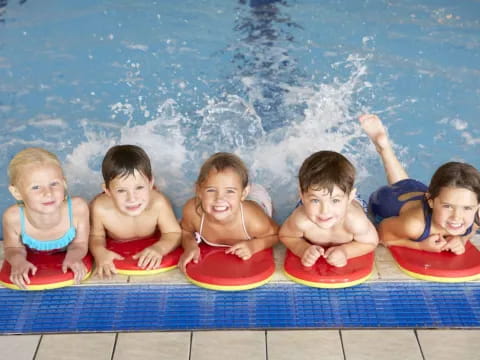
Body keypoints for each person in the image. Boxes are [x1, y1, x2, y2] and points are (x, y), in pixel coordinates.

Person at [361, 113, 480, 254]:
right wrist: (420, 246)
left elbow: (472, 229)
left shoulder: (475, 217)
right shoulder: (414, 225)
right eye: (448, 206)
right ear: (431, 201)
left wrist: (461, 239)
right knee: (399, 187)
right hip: (386, 202)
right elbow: (380, 236)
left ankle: (385, 148)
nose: (457, 216)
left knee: (404, 183)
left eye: (467, 208)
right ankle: (383, 148)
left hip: (415, 189)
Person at [2, 147, 90, 289]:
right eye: (36, 187)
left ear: (64, 183)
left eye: (54, 184)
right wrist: (18, 262)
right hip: (32, 255)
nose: (48, 193)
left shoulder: (77, 209)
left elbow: (80, 244)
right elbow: (13, 247)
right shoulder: (14, 218)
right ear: (17, 192)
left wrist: (73, 257)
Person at [89, 145, 182, 278]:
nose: (132, 198)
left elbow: (173, 232)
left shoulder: (158, 203)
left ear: (150, 184)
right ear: (107, 190)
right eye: (121, 190)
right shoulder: (100, 208)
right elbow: (96, 236)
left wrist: (159, 248)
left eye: (139, 187)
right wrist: (100, 253)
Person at [179, 152, 278, 272]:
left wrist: (254, 246)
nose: (219, 198)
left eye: (229, 191)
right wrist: (190, 246)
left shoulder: (254, 222)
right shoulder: (193, 212)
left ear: (244, 194)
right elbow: (185, 231)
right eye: (211, 190)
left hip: (258, 200)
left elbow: (278, 234)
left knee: (266, 216)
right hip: (238, 194)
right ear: (198, 191)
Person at [279, 150, 378, 268]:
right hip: (316, 200)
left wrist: (345, 252)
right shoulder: (301, 220)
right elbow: (286, 235)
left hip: (352, 205)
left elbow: (371, 242)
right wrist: (303, 249)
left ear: (350, 197)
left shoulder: (355, 222)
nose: (324, 211)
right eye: (315, 201)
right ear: (301, 196)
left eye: (335, 201)